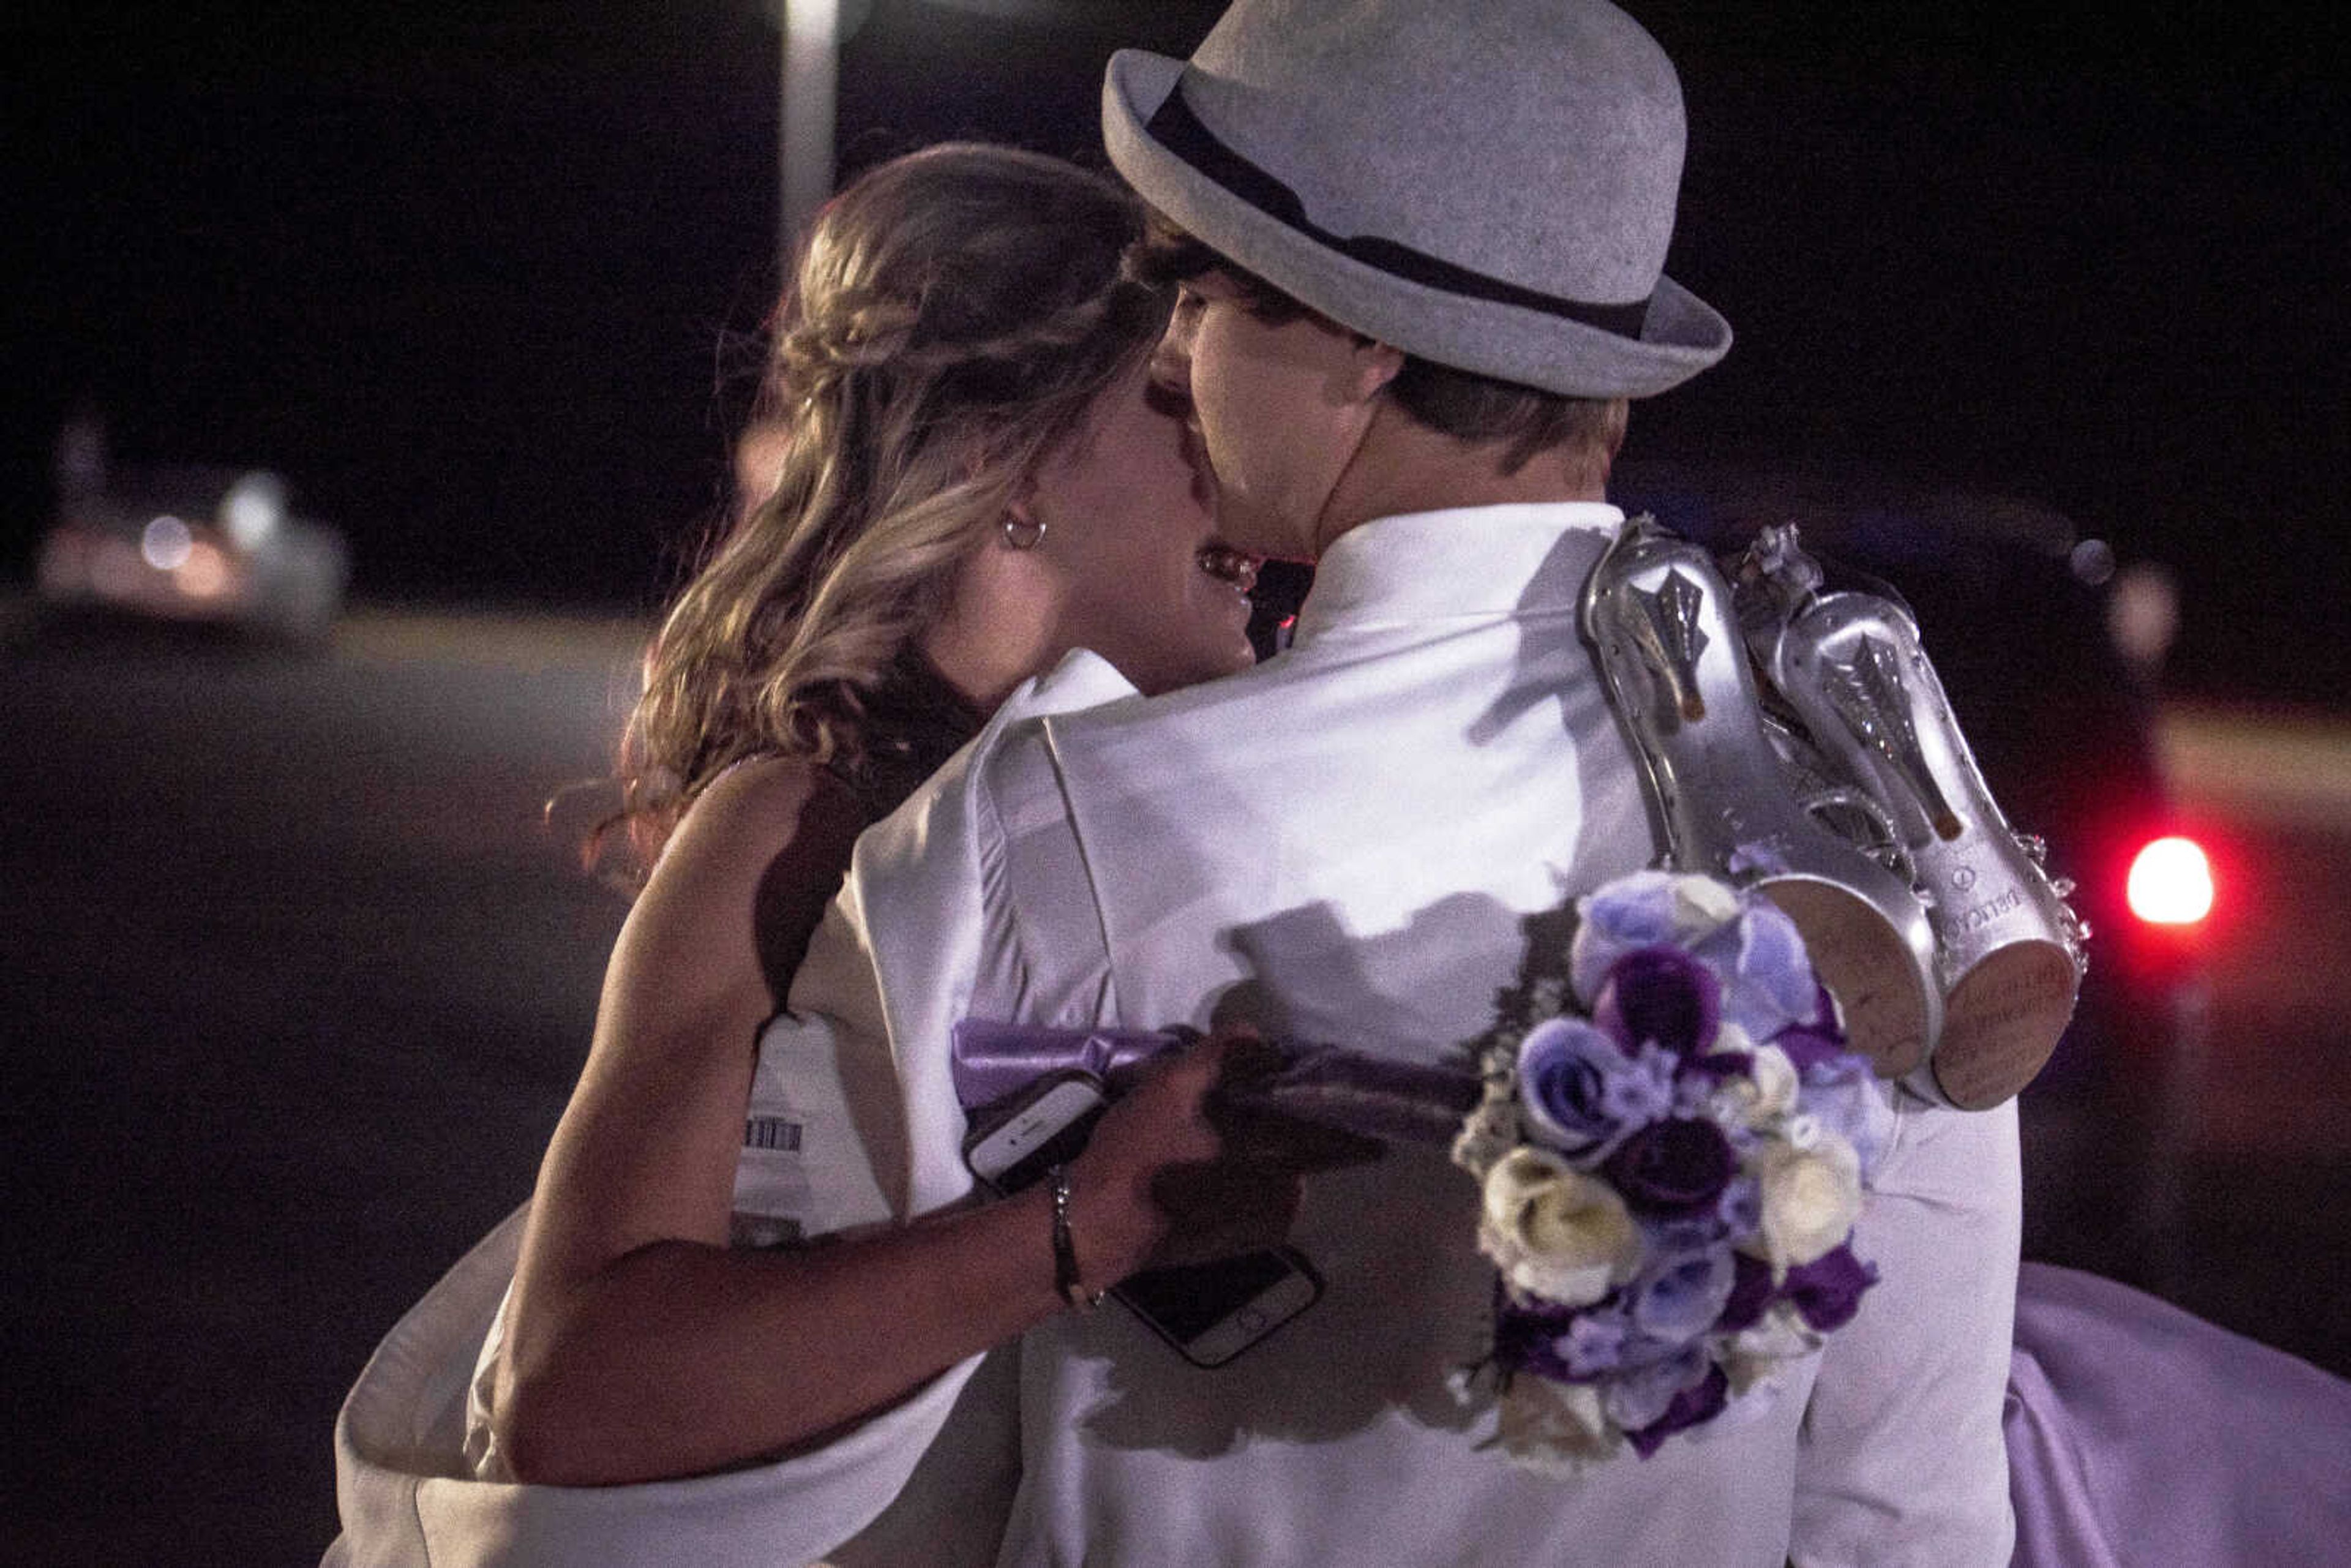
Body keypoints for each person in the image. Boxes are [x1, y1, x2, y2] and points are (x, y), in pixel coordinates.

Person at [751, 1, 2023, 1562]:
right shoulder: (1868, 839)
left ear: (1357, 345)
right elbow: (1910, 1517)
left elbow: (848, 1481)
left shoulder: (1038, 828)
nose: (1166, 359)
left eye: (1195, 292)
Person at [324, 141, 1332, 1567]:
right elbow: (576, 1391)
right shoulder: (799, 824)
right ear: (1007, 463)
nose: (1237, 480)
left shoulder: (1144, 808)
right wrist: (1084, 1226)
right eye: (1177, 406)